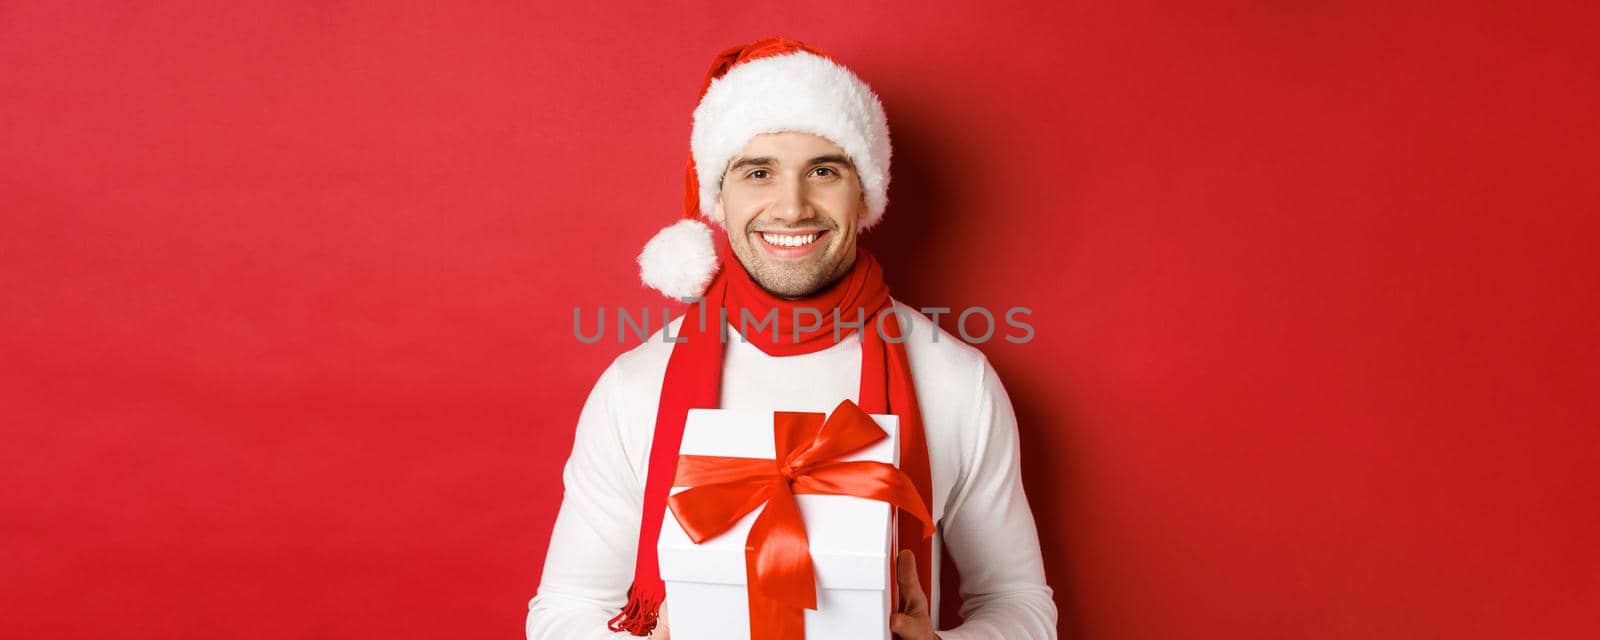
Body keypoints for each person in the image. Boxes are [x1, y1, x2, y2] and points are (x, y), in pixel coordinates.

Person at [526, 36, 1057, 639]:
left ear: (864, 195)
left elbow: (1019, 602)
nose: (792, 206)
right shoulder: (636, 387)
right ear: (717, 200)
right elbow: (563, 610)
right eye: (758, 173)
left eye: (824, 171)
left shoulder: (955, 380)